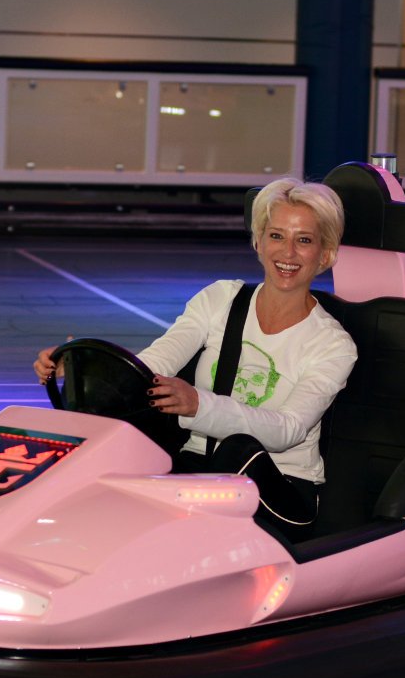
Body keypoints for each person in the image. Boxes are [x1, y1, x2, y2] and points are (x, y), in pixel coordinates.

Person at [34, 178, 357, 538]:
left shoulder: (332, 345)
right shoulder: (220, 299)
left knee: (238, 449)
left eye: (305, 240)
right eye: (277, 236)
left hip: (277, 490)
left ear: (326, 253)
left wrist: (197, 405)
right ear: (259, 241)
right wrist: (85, 369)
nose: (287, 253)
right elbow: (156, 363)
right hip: (196, 476)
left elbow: (287, 431)